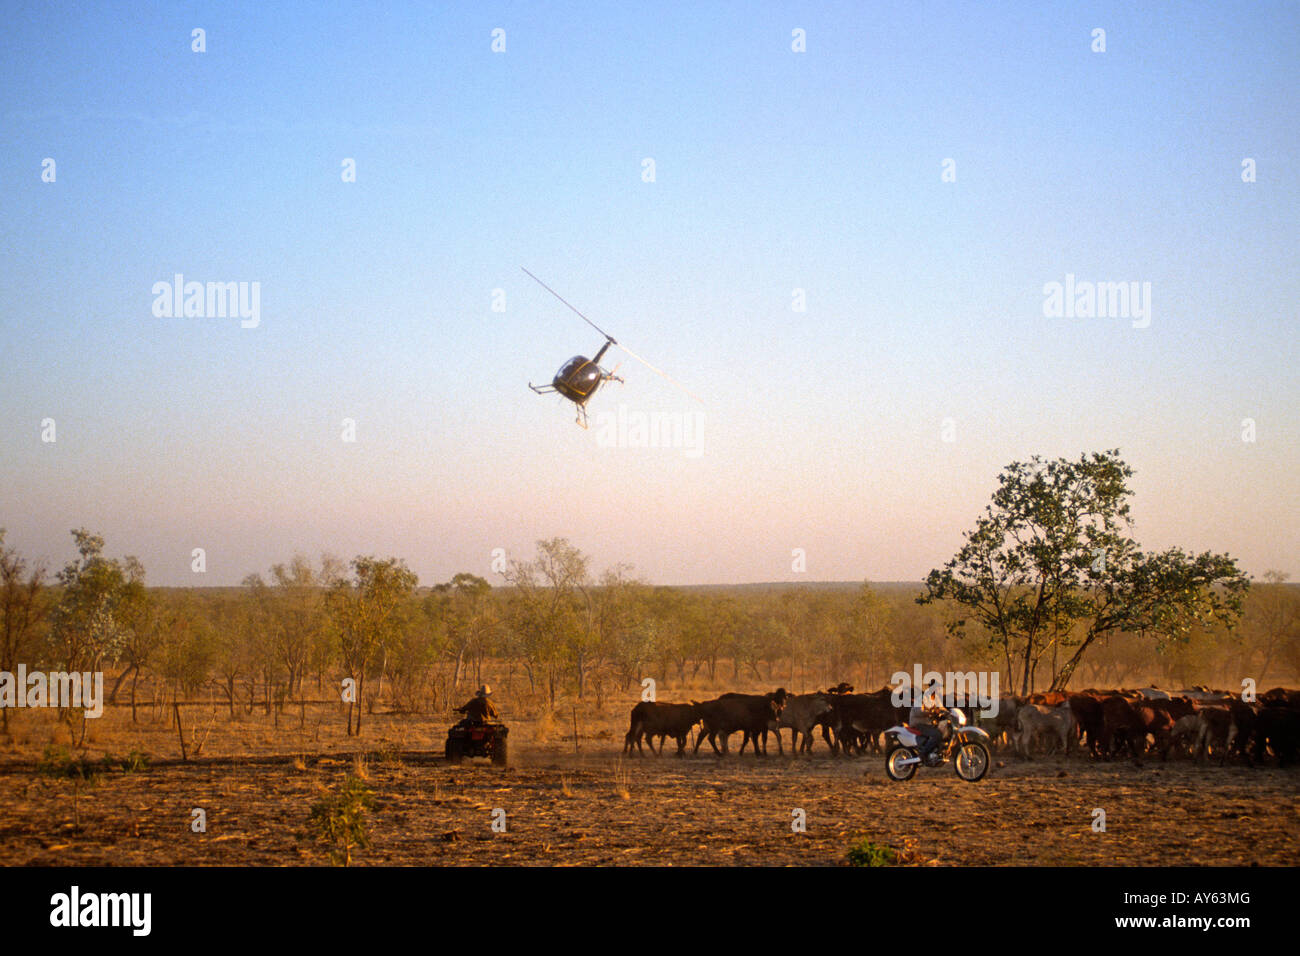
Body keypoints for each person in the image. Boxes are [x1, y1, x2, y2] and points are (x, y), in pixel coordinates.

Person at [909, 691, 949, 765]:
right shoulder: (922, 698)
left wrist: (949, 713)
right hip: (919, 724)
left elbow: (942, 708)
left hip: (928, 724)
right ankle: (923, 753)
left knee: (942, 732)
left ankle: (937, 752)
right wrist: (931, 712)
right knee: (937, 734)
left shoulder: (936, 699)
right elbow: (918, 712)